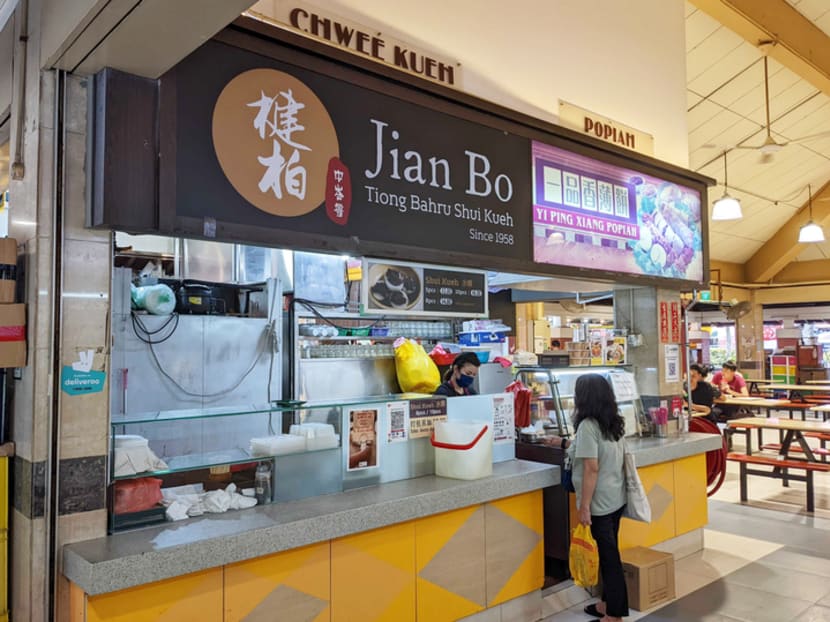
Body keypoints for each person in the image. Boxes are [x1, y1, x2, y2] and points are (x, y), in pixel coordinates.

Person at [565, 374, 629, 622]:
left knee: (610, 558)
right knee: (608, 554)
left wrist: (584, 507)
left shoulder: (588, 425)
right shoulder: (614, 422)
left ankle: (615, 614)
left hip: (600, 503)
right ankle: (607, 604)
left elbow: (591, 468)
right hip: (616, 497)